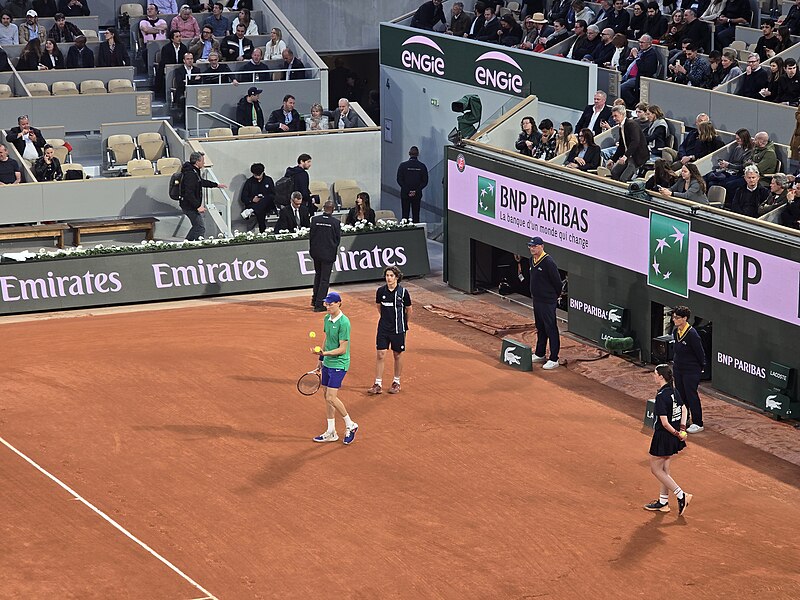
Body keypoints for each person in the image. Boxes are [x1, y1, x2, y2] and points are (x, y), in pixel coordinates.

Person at [311, 291, 359, 446]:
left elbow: (343, 349)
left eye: (330, 303)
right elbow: (326, 339)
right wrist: (321, 359)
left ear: (339, 303)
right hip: (328, 363)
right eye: (326, 303)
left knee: (331, 397)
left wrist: (325, 353)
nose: (327, 306)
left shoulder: (344, 323)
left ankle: (350, 425)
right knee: (326, 396)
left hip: (339, 363)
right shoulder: (326, 318)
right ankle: (331, 431)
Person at [644, 363, 691, 515]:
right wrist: (682, 430)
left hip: (664, 437)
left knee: (655, 469)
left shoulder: (661, 396)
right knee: (665, 469)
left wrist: (677, 434)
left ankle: (681, 495)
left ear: (661, 377)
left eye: (655, 374)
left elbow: (664, 423)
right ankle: (663, 502)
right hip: (673, 436)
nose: (654, 376)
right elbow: (684, 409)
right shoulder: (673, 391)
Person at [368, 265, 412, 396]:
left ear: (397, 277)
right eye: (387, 275)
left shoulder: (403, 293)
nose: (389, 278)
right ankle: (378, 384)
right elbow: (379, 307)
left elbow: (408, 310)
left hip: (398, 329)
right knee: (381, 354)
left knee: (397, 355)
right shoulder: (380, 291)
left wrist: (403, 324)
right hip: (383, 328)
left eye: (391, 275)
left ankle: (396, 382)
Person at [528, 236, 561, 370]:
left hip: (548, 301)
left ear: (541, 246)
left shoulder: (548, 262)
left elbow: (557, 282)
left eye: (534, 246)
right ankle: (540, 353)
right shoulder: (531, 260)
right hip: (537, 300)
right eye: (530, 246)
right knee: (540, 327)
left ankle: (554, 358)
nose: (532, 248)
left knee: (550, 328)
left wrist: (553, 297)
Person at [179, 151, 227, 241]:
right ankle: (194, 246)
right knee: (200, 227)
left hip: (190, 205)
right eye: (202, 161)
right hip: (189, 205)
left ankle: (187, 243)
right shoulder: (190, 174)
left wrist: (216, 185)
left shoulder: (194, 171)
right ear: (197, 162)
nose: (204, 163)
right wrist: (198, 206)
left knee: (197, 226)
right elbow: (189, 193)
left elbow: (201, 182)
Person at [309, 200, 341, 312]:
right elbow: (337, 240)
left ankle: (314, 299)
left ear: (323, 208)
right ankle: (319, 304)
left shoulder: (315, 220)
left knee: (318, 275)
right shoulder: (335, 223)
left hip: (316, 253)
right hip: (328, 254)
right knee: (324, 280)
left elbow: (311, 236)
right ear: (332, 210)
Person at [606, 105, 649, 181]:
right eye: (613, 116)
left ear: (622, 114)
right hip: (628, 156)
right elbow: (621, 146)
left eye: (616, 116)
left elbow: (635, 142)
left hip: (637, 157)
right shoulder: (621, 127)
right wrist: (613, 159)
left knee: (624, 178)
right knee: (614, 172)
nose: (614, 118)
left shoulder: (631, 124)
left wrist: (625, 156)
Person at [620, 34, 659, 108]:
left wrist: (636, 57)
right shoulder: (641, 51)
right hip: (628, 75)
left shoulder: (651, 54)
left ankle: (633, 105)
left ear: (649, 44)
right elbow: (627, 65)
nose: (640, 44)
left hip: (640, 78)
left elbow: (643, 68)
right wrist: (631, 57)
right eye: (639, 42)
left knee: (622, 88)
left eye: (642, 42)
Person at [240, 162, 275, 232]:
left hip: (267, 205)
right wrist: (252, 200)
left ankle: (252, 210)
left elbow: (273, 195)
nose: (258, 177)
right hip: (254, 204)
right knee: (260, 209)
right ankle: (262, 230)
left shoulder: (268, 180)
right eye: (256, 175)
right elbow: (243, 198)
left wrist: (263, 199)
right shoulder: (249, 182)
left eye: (260, 175)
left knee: (267, 198)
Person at [396, 146, 428, 223]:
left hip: (405, 194)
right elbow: (425, 181)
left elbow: (399, 180)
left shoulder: (403, 165)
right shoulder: (422, 166)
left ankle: (405, 231)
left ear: (409, 153)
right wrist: (415, 191)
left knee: (405, 214)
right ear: (418, 154)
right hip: (417, 194)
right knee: (416, 214)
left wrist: (407, 190)